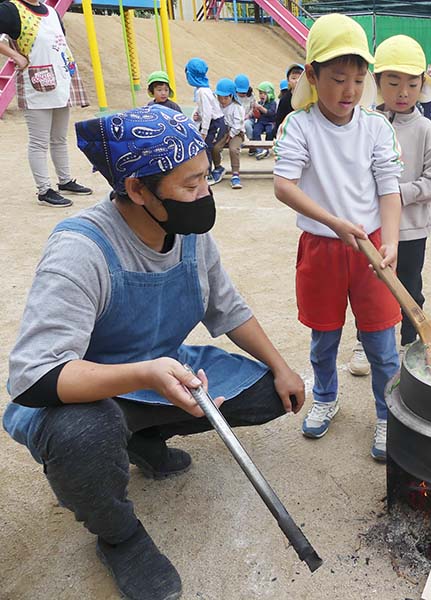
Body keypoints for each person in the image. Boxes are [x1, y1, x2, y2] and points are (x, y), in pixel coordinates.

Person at [2, 105, 306, 600]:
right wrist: (144, 374)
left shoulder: (189, 236)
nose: (204, 195)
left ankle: (140, 437)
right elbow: (33, 377)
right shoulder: (82, 250)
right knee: (83, 434)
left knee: (269, 393)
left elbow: (228, 308)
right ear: (138, 189)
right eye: (190, 185)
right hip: (83, 395)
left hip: (156, 371)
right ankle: (119, 537)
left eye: (206, 177)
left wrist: (282, 367)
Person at [273, 14, 403, 461]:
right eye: (338, 79)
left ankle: (388, 415)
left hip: (370, 248)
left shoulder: (376, 127)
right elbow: (284, 186)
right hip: (322, 248)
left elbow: (389, 188)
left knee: (382, 342)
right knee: (324, 337)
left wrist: (391, 242)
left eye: (359, 80)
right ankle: (326, 397)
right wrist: (333, 223)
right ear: (312, 75)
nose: (350, 91)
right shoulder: (299, 125)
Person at [371, 34, 431, 357]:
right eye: (393, 83)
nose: (403, 92)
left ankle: (409, 340)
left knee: (409, 285)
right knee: (372, 287)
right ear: (377, 82)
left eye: (412, 84)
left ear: (422, 85)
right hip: (373, 227)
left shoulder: (425, 129)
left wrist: (396, 193)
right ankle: (366, 341)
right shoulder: (367, 124)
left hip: (412, 229)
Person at [0, 0, 92, 207]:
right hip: (36, 83)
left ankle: (65, 181)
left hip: (60, 81)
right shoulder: (11, 9)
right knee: (39, 141)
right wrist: (15, 56)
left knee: (59, 138)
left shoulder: (51, 11)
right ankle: (44, 190)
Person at [186, 57, 225, 173]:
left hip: (215, 124)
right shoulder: (203, 89)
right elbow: (203, 109)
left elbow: (208, 113)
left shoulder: (202, 92)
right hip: (212, 123)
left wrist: (204, 131)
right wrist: (198, 116)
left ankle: (209, 172)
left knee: (206, 146)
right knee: (204, 145)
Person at [210, 78, 245, 189]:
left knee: (233, 149)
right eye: (220, 97)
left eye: (226, 98)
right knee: (215, 148)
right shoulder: (217, 106)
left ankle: (235, 175)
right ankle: (218, 167)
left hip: (237, 133)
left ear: (232, 96)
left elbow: (238, 124)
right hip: (222, 132)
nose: (222, 100)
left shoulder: (237, 107)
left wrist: (231, 135)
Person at [247, 81, 277, 160]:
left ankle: (266, 148)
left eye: (264, 93)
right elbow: (257, 115)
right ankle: (259, 149)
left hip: (270, 122)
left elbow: (271, 113)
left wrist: (260, 108)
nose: (261, 95)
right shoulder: (260, 103)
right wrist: (255, 110)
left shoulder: (272, 103)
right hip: (261, 122)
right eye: (260, 93)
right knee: (256, 131)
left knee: (270, 132)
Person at [274, 63, 305, 132]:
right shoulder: (285, 99)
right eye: (293, 78)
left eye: (300, 78)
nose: (297, 81)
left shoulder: (309, 97)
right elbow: (279, 119)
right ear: (288, 81)